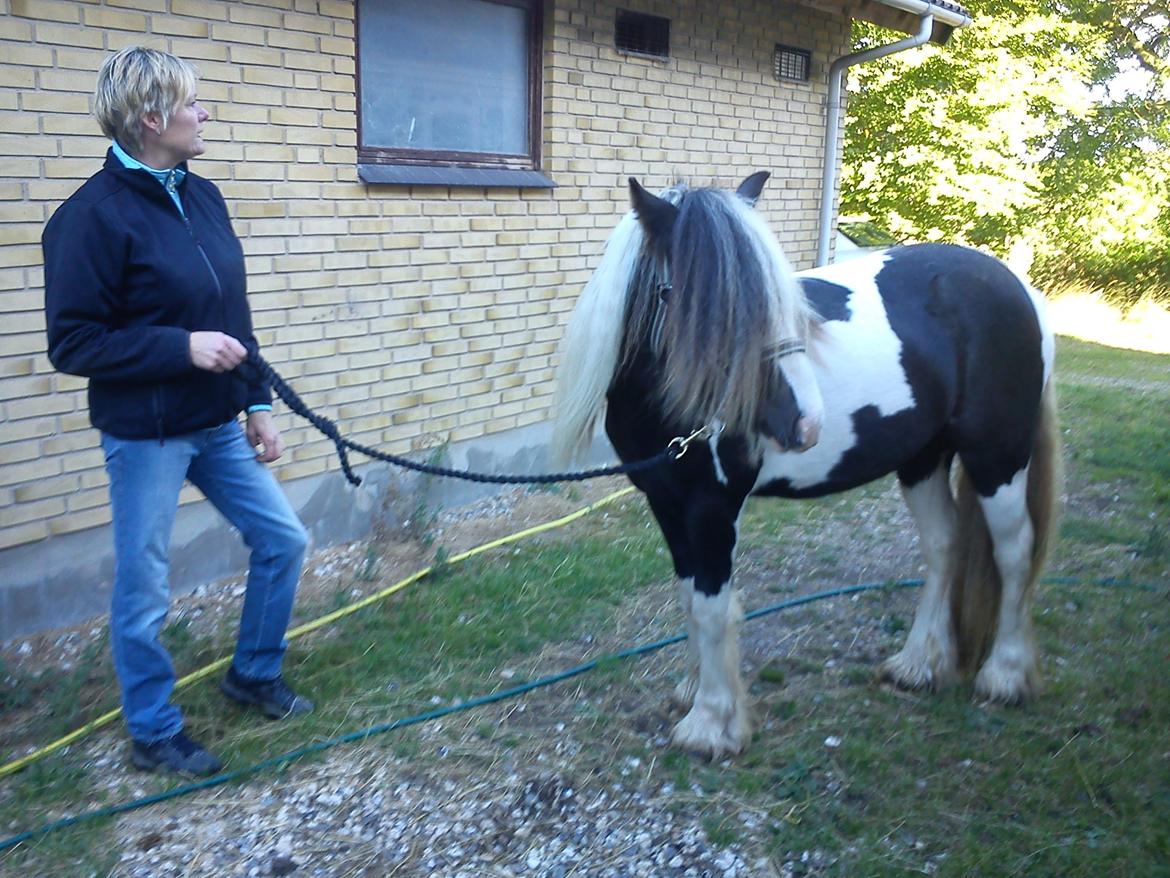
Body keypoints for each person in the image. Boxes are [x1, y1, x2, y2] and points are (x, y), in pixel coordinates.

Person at [42, 46, 314, 778]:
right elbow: (73, 343)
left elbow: (234, 311)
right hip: (147, 437)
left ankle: (253, 672)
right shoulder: (89, 219)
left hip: (218, 425)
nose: (206, 114)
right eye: (194, 103)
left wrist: (257, 402)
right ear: (151, 117)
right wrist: (179, 348)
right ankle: (153, 730)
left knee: (283, 540)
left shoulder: (203, 197)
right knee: (145, 587)